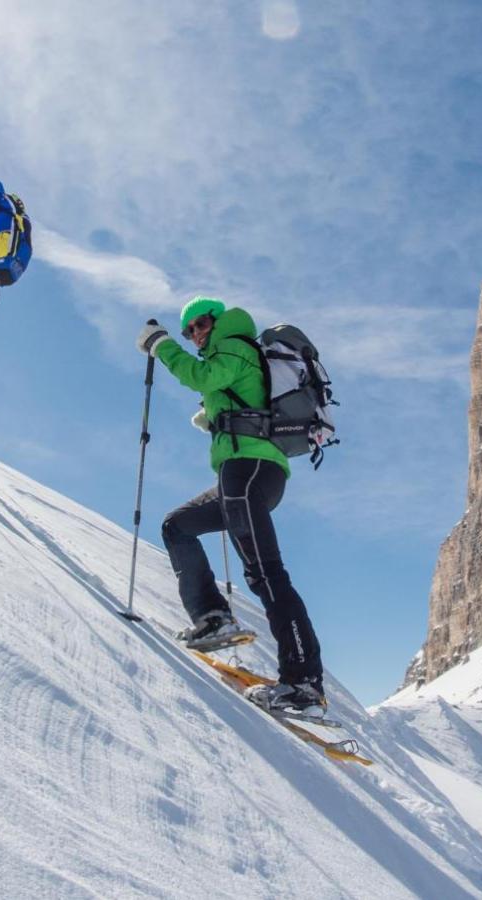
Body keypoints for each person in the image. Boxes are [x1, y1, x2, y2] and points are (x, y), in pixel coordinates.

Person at [136, 297, 326, 716]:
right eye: (187, 331)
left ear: (217, 322)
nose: (195, 335)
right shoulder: (234, 355)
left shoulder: (235, 344)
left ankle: (304, 684)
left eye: (199, 325)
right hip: (245, 475)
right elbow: (226, 390)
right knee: (178, 526)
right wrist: (218, 415)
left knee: (266, 575)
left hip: (249, 472)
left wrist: (162, 344)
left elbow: (197, 374)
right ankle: (212, 618)